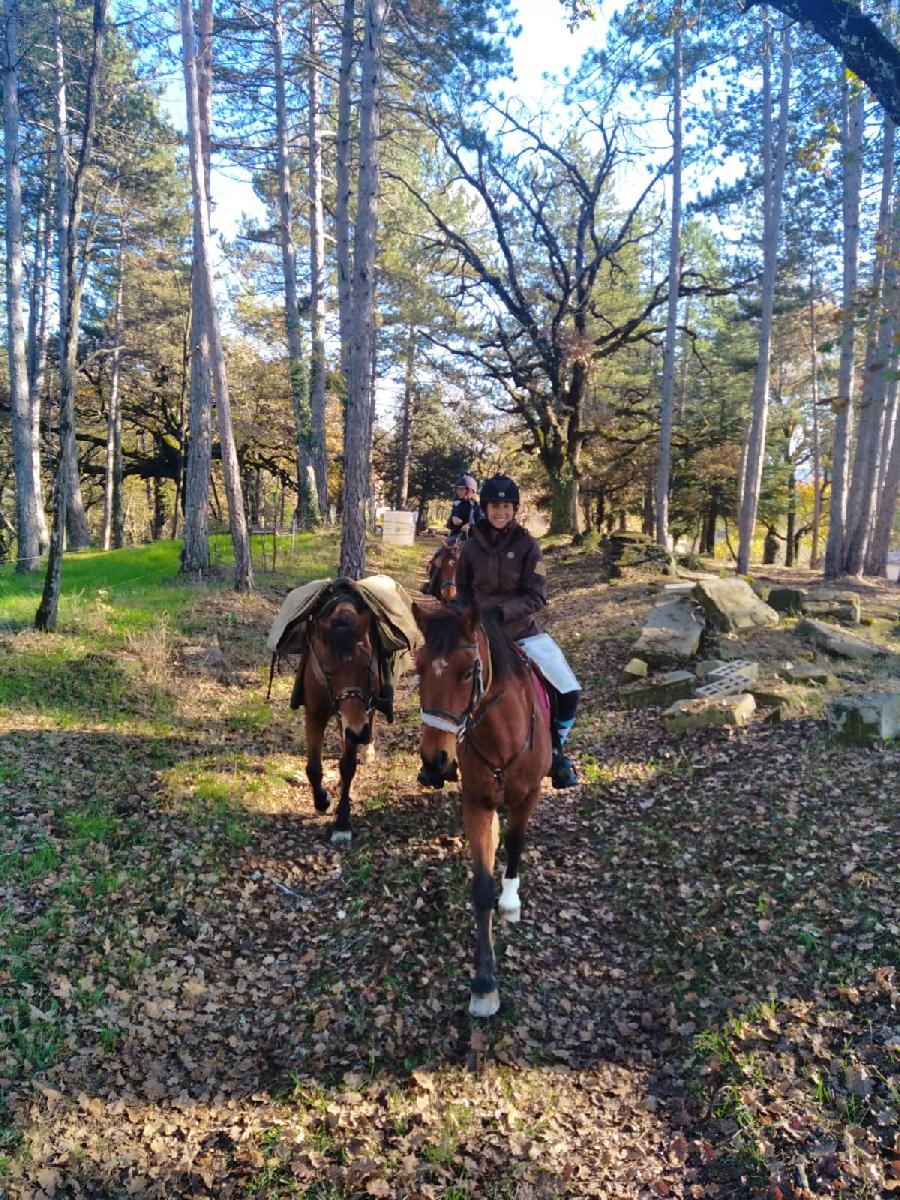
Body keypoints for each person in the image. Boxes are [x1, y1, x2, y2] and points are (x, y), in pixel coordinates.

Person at [454, 472, 580, 790]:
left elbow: (537, 595)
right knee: (443, 680)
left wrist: (503, 612)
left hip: (522, 632)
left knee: (568, 690)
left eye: (506, 506)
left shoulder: (528, 546)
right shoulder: (469, 549)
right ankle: (440, 757)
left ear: (514, 508)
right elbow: (463, 592)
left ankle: (555, 749)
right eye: (494, 506)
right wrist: (467, 619)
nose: (500, 512)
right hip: (480, 633)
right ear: (484, 507)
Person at [446, 475, 481, 544]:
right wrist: (452, 520)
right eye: (457, 489)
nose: (458, 491)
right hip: (456, 537)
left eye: (461, 489)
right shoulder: (457, 503)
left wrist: (470, 525)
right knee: (441, 552)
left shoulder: (478, 505)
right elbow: (449, 525)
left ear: (470, 490)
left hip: (474, 538)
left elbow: (482, 523)